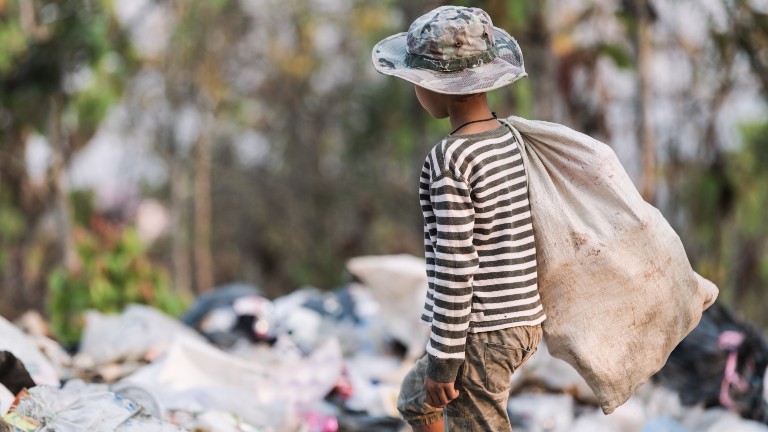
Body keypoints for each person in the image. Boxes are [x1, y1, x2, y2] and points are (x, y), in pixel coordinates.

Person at [371, 6, 546, 431]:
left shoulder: (451, 159)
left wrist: (445, 361)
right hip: (523, 320)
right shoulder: (511, 139)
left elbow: (455, 264)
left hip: (479, 333)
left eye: (416, 81)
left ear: (439, 86)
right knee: (417, 402)